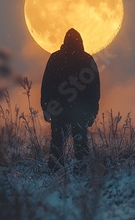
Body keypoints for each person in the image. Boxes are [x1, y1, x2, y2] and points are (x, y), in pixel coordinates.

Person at [41, 28, 101, 174]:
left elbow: (47, 85)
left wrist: (46, 107)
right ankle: (81, 171)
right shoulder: (87, 59)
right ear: (81, 41)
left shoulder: (55, 58)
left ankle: (55, 171)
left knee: (57, 143)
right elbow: (94, 89)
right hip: (80, 111)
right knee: (80, 143)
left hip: (59, 110)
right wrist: (93, 111)